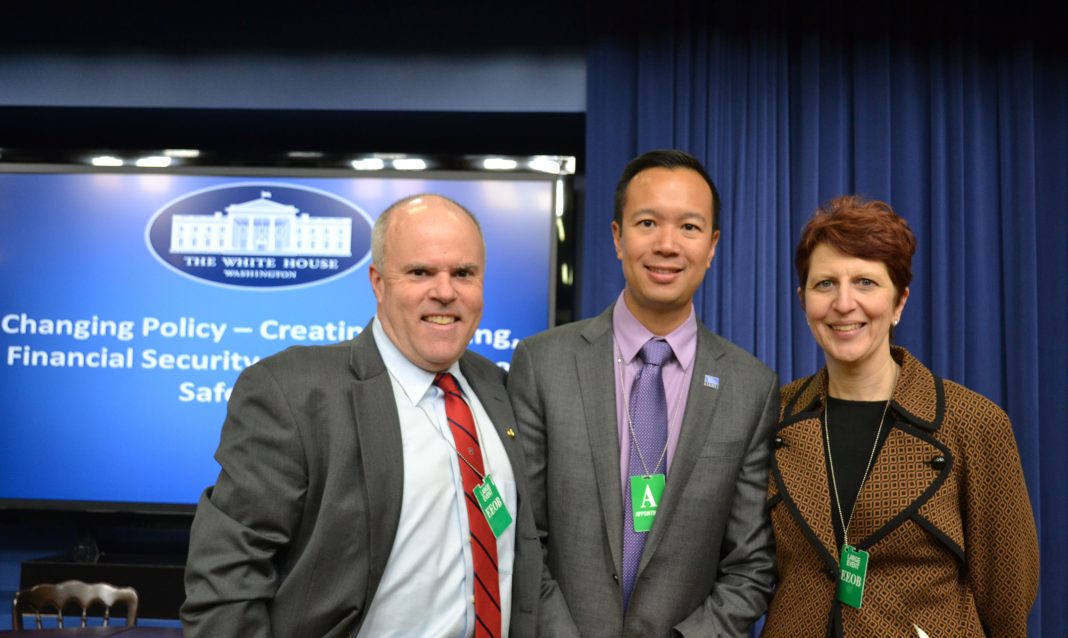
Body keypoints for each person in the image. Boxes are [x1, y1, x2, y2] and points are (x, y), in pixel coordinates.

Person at [181, 194, 543, 637]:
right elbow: (225, 583)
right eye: (420, 272)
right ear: (378, 282)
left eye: (463, 273)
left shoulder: (498, 388)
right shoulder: (293, 392)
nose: (445, 292)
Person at [509, 149, 778, 637]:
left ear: (712, 246)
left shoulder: (750, 388)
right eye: (648, 223)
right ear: (618, 237)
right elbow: (523, 539)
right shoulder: (542, 364)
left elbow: (751, 567)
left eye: (689, 227)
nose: (667, 245)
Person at [762, 195, 1039, 637]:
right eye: (825, 284)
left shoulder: (973, 422)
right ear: (803, 300)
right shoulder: (771, 416)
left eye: (866, 282)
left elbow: (1007, 599)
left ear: (899, 302)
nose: (844, 303)